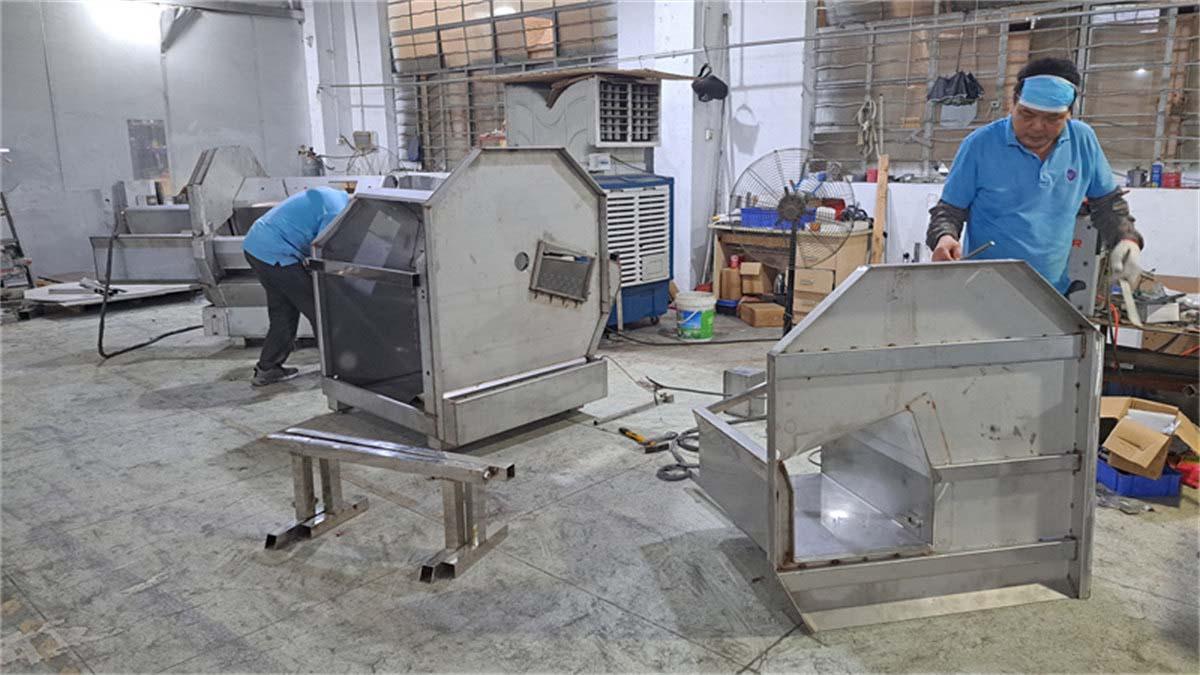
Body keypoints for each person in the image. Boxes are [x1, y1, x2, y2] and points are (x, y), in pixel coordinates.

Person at [926, 57, 1144, 294]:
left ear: (1069, 114)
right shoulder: (980, 145)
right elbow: (949, 211)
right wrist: (944, 237)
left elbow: (1108, 203)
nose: (1038, 127)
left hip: (1051, 292)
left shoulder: (1083, 141)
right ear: (1013, 105)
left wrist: (1126, 239)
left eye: (1052, 118)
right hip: (983, 289)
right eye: (1027, 114)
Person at [242, 186, 351, 386]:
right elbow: (324, 251)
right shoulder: (337, 212)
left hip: (256, 246)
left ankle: (268, 368)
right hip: (276, 252)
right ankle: (337, 370)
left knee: (284, 310)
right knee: (321, 310)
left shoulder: (336, 196)